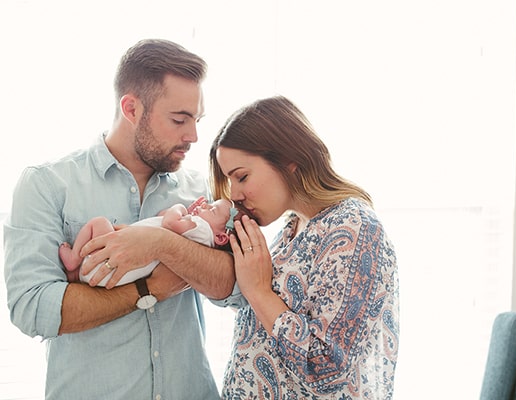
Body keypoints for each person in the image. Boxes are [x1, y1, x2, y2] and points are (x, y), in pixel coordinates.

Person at [3, 39, 236, 400]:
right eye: (179, 119)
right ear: (131, 108)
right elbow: (34, 308)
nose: (193, 136)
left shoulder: (201, 194)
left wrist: (160, 243)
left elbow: (232, 288)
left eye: (197, 119)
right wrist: (149, 289)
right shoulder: (48, 184)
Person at [209, 95, 400, 399]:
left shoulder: (354, 229)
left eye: (242, 176)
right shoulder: (290, 229)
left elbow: (326, 368)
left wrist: (259, 293)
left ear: (288, 159)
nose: (236, 194)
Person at [59, 196, 240, 287]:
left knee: (99, 223)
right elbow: (163, 218)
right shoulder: (197, 242)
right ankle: (77, 275)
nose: (205, 205)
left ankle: (74, 259)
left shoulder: (201, 228)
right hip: (114, 275)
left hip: (109, 262)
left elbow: (169, 221)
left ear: (221, 237)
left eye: (213, 210)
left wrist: (181, 208)